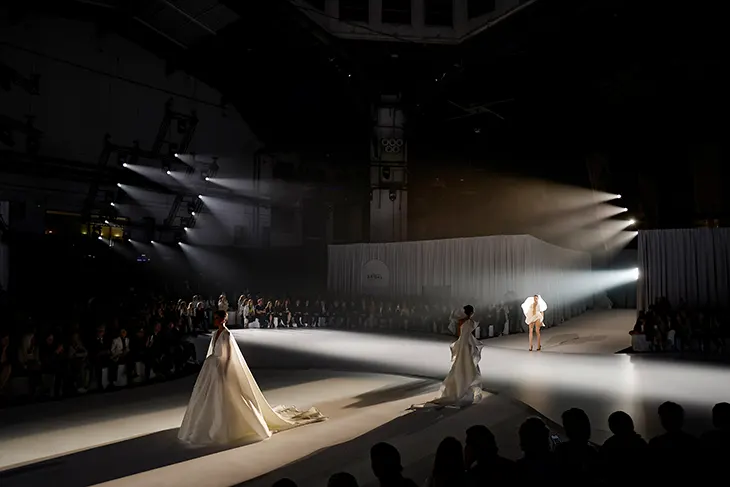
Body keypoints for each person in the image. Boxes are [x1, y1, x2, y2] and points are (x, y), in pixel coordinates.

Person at [178, 310, 326, 445]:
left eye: (218, 318)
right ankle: (209, 422)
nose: (215, 320)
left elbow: (229, 355)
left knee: (225, 395)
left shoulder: (226, 334)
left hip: (220, 367)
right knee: (210, 394)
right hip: (212, 367)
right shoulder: (216, 333)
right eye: (215, 318)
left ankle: (227, 425)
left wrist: (225, 371)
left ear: (224, 320)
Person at [434, 305, 483, 406]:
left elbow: (459, 334)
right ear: (471, 313)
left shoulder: (461, 321)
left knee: (461, 367)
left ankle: (461, 388)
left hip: (462, 345)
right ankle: (467, 390)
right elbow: (471, 331)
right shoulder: (470, 322)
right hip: (467, 346)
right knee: (470, 368)